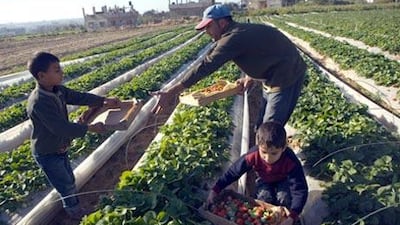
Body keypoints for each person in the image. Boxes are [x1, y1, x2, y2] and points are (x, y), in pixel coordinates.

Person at [152, 4, 306, 128]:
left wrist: (170, 92)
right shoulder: (237, 33)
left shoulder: (232, 38)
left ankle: (271, 160)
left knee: (271, 127)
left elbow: (205, 66)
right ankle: (261, 150)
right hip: (274, 72)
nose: (207, 31)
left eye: (209, 26)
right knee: (261, 125)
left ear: (223, 23)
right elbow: (257, 53)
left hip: (286, 74)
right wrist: (249, 76)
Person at [26, 51, 121, 219]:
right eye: (56, 70)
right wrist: (90, 128)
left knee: (68, 179)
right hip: (47, 152)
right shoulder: (39, 102)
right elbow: (60, 128)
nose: (61, 72)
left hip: (59, 148)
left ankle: (72, 204)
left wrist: (103, 101)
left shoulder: (58, 90)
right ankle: (74, 212)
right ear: (41, 75)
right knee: (65, 185)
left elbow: (78, 97)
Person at [207, 121, 308, 225]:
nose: (268, 158)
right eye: (264, 152)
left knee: (284, 198)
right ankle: (270, 220)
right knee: (264, 199)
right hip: (264, 179)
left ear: (284, 148)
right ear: (258, 144)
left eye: (274, 153)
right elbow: (233, 172)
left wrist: (292, 216)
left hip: (284, 180)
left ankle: (286, 220)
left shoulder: (290, 161)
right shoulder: (253, 155)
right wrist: (215, 189)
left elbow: (300, 189)